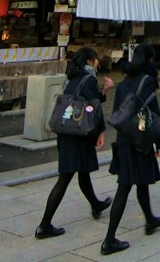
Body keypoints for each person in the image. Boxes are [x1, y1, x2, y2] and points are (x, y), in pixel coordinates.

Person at [35, 47, 115, 240]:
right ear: (89, 61)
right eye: (96, 60)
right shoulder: (88, 79)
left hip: (68, 131)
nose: (98, 63)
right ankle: (44, 225)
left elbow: (86, 100)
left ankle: (96, 205)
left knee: (83, 171)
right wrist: (101, 131)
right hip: (78, 134)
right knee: (66, 177)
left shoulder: (73, 78)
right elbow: (93, 107)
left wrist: (103, 91)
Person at [101, 42, 160, 255]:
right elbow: (153, 114)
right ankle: (109, 239)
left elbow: (118, 114)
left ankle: (150, 220)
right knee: (125, 186)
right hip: (140, 140)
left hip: (124, 140)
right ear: (149, 59)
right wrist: (159, 142)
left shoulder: (123, 83)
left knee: (140, 182)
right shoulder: (147, 81)